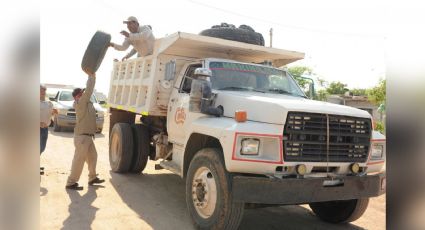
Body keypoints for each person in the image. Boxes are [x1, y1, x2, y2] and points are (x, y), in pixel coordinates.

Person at [66, 73, 104, 190]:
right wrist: (91, 77)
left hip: (87, 137)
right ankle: (71, 182)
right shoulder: (80, 104)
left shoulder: (86, 104)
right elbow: (89, 90)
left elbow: (88, 94)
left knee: (93, 156)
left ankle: (92, 178)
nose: (83, 95)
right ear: (76, 97)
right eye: (80, 94)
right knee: (79, 160)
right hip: (82, 138)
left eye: (82, 94)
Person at [40, 85, 57, 174]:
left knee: (42, 148)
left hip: (45, 128)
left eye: (44, 90)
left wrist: (54, 112)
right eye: (41, 90)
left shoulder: (48, 103)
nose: (43, 92)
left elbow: (51, 114)